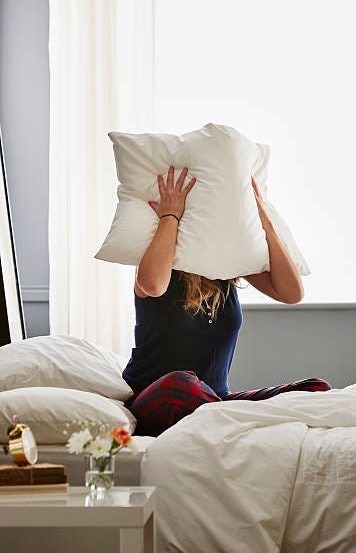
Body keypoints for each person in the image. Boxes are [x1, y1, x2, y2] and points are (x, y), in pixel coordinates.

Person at [122, 165, 332, 436]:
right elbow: (151, 283)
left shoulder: (229, 265)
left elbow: (292, 293)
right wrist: (171, 213)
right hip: (158, 398)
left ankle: (229, 421)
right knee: (181, 384)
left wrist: (261, 215)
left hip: (216, 403)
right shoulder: (158, 263)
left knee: (315, 389)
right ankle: (235, 422)